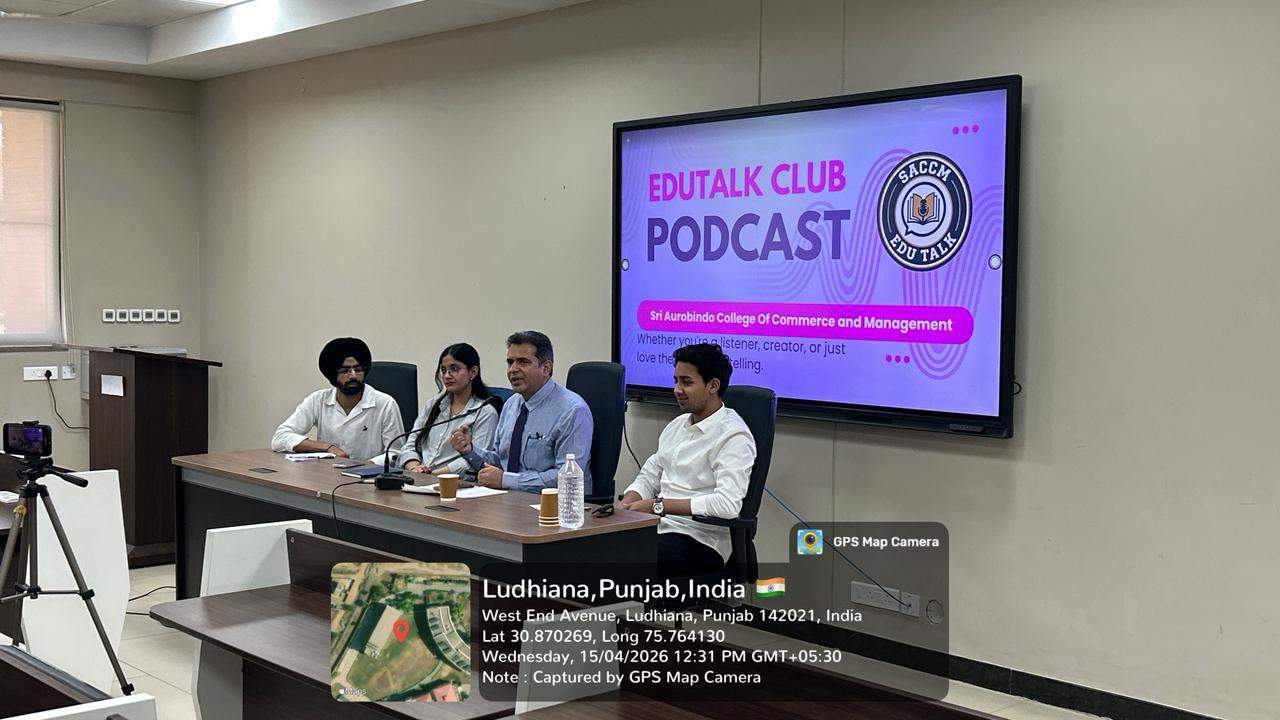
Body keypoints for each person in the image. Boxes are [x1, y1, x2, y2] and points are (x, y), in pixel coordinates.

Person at [620, 343, 756, 577]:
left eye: (686, 382)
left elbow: (727, 505)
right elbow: (650, 474)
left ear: (713, 385)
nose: (677, 390)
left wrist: (657, 506)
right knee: (593, 548)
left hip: (701, 539)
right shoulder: (677, 426)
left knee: (619, 563)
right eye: (675, 381)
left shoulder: (733, 436)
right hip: (659, 528)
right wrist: (629, 501)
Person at [451, 331, 593, 492]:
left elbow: (567, 477)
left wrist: (506, 480)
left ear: (546, 368)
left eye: (523, 362)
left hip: (555, 502)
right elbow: (500, 461)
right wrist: (469, 450)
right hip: (509, 498)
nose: (513, 369)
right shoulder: (512, 404)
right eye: (510, 362)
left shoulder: (572, 410)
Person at [271, 337, 404, 462]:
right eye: (345, 371)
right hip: (327, 474)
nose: (353, 376)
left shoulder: (385, 404)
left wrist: (364, 467)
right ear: (332, 374)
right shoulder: (318, 400)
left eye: (358, 370)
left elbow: (395, 454)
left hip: (371, 475)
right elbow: (280, 437)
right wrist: (327, 448)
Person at [398, 343, 502, 476]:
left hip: (455, 482)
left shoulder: (485, 412)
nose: (447, 375)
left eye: (454, 369)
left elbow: (478, 460)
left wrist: (434, 474)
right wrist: (415, 468)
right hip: (419, 477)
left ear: (473, 372)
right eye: (443, 370)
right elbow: (410, 445)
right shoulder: (433, 404)